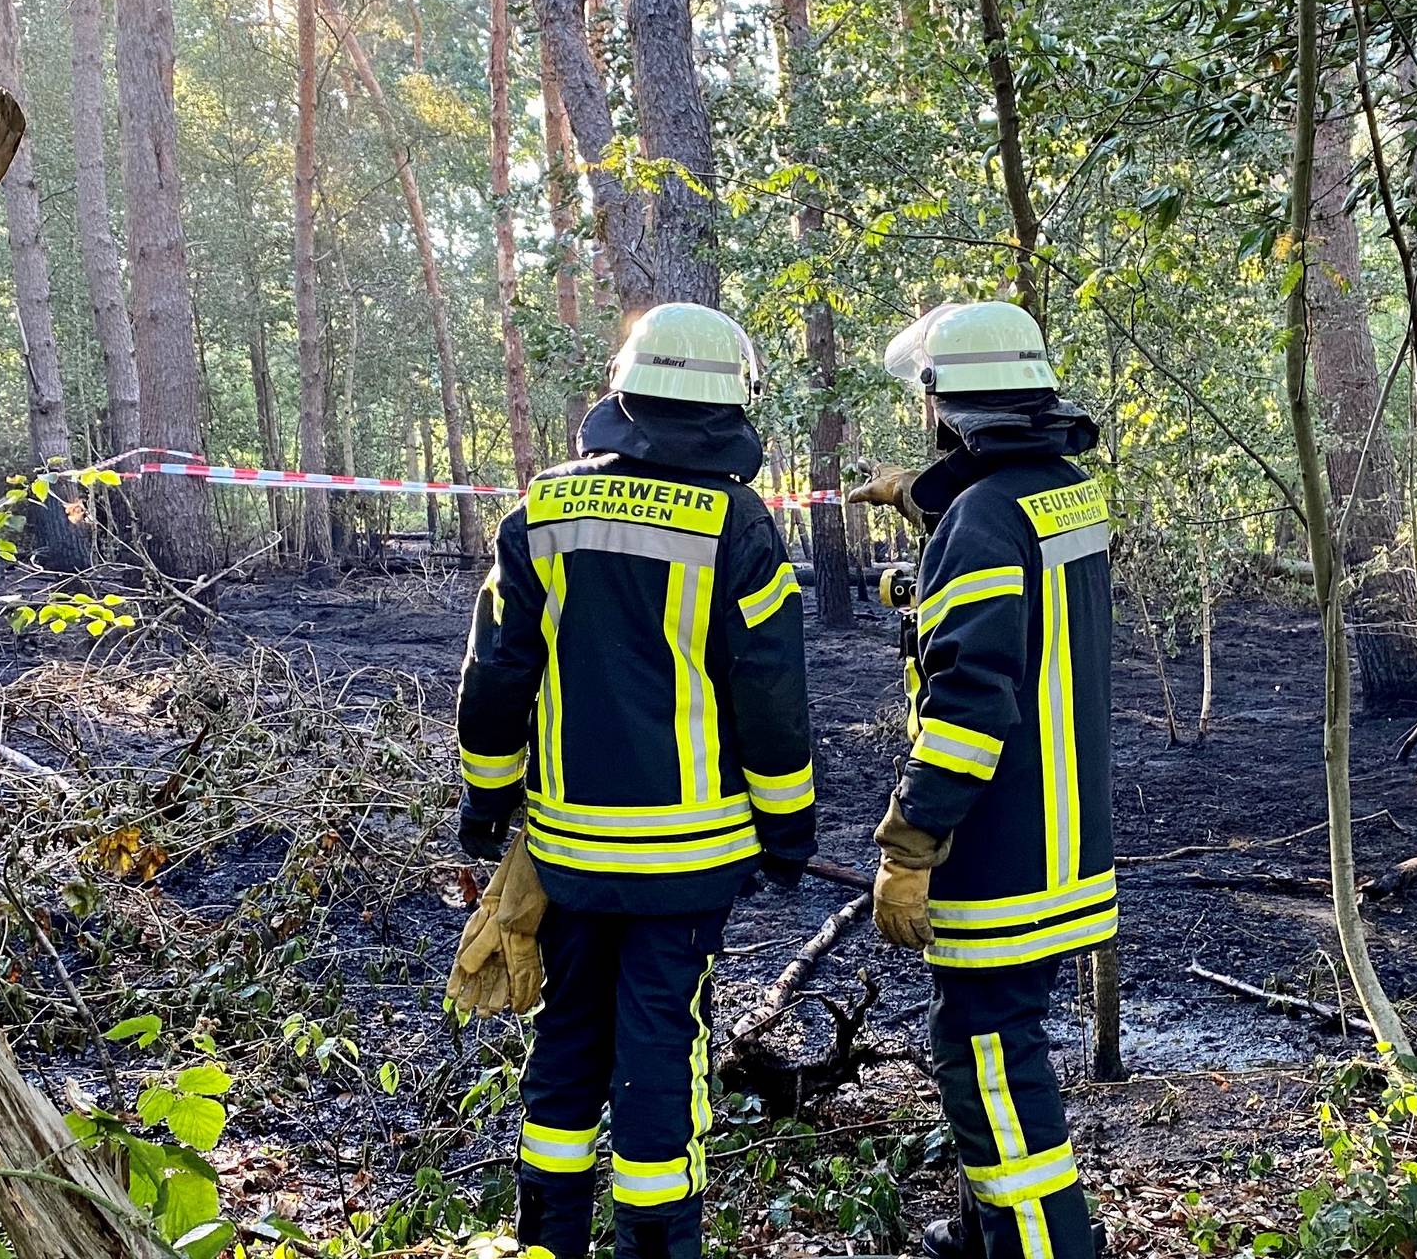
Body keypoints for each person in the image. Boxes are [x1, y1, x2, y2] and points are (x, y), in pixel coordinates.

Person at [451, 302, 816, 1259]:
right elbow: (769, 693)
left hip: (568, 855)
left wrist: (487, 803)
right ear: (729, 407)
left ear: (625, 393)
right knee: (660, 1052)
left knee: (567, 1041)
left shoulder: (542, 512)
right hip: (688, 862)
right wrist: (788, 829)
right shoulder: (739, 526)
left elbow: (496, 675)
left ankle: (548, 1243)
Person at [854, 301, 1113, 1259]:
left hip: (999, 851)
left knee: (990, 1069)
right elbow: (1006, 596)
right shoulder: (1064, 492)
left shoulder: (979, 521)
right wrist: (919, 508)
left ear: (944, 404)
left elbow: (970, 703)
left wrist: (909, 847)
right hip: (1069, 839)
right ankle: (984, 1240)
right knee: (998, 1046)